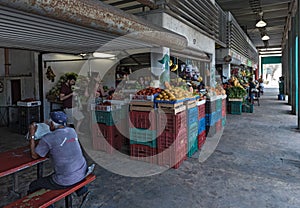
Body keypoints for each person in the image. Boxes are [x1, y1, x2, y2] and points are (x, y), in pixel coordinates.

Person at [28, 111, 91, 207]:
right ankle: (82, 191)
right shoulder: (72, 131)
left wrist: (32, 134)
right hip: (83, 171)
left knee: (34, 185)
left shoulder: (48, 138)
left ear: (52, 124)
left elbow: (34, 155)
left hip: (65, 180)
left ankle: (47, 205)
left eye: (49, 122)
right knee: (71, 170)